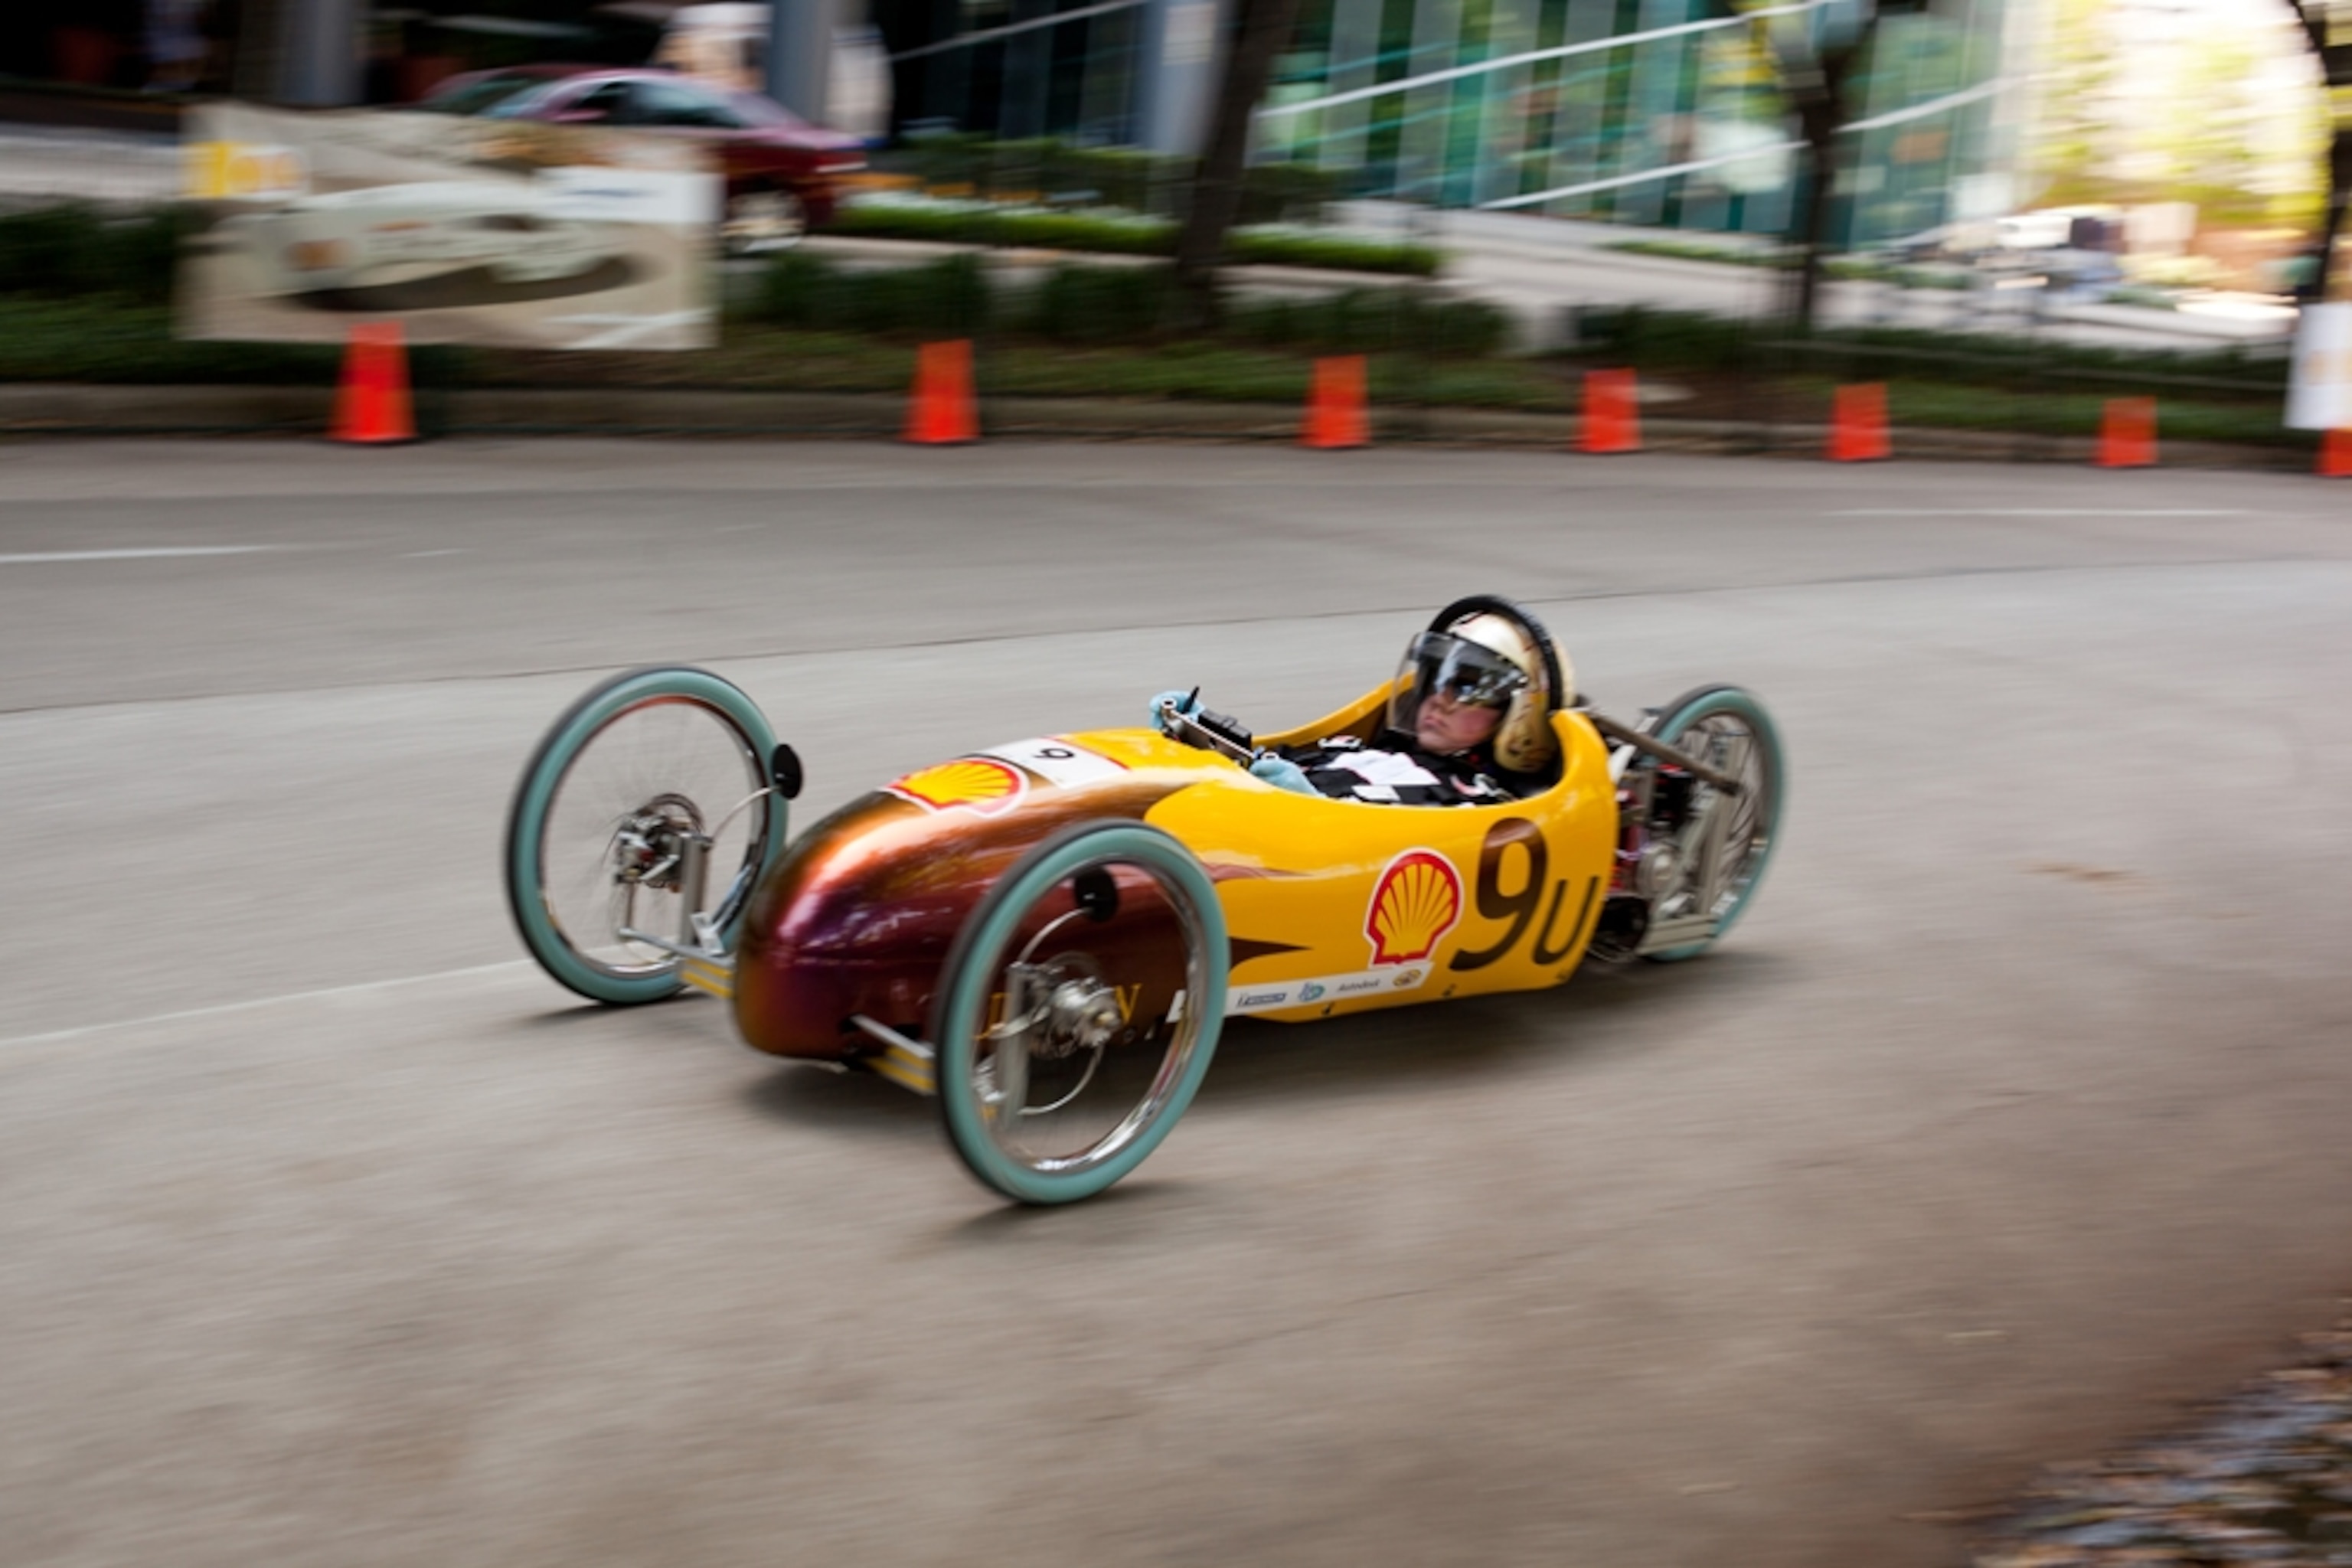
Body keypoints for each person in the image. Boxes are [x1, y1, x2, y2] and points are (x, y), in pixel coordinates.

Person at [1152, 606, 1562, 805]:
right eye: (1437, 678)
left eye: (1467, 688)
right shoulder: (1360, 746)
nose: (1440, 697)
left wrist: (1307, 800)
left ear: (1517, 717)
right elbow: (1265, 761)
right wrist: (1201, 730)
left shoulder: (1469, 798)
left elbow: (1394, 832)